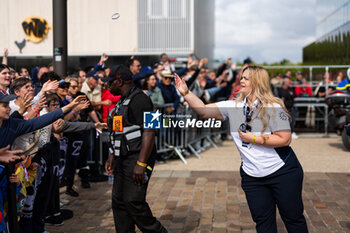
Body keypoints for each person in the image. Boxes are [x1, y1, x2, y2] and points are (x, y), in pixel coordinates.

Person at [174, 66, 308, 233]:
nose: (241, 81)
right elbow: (203, 110)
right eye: (241, 77)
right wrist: (186, 93)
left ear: (258, 82)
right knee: (263, 223)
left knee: (293, 219)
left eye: (246, 78)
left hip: (282, 172)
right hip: (252, 176)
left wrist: (252, 138)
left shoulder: (273, 106)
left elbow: (284, 139)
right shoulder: (234, 106)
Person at [103, 65, 167, 233]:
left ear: (119, 81)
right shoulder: (121, 102)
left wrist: (141, 163)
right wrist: (112, 155)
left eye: (110, 83)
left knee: (133, 201)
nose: (108, 87)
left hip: (138, 157)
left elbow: (150, 131)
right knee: (118, 200)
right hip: (121, 158)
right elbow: (117, 131)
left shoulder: (142, 99)